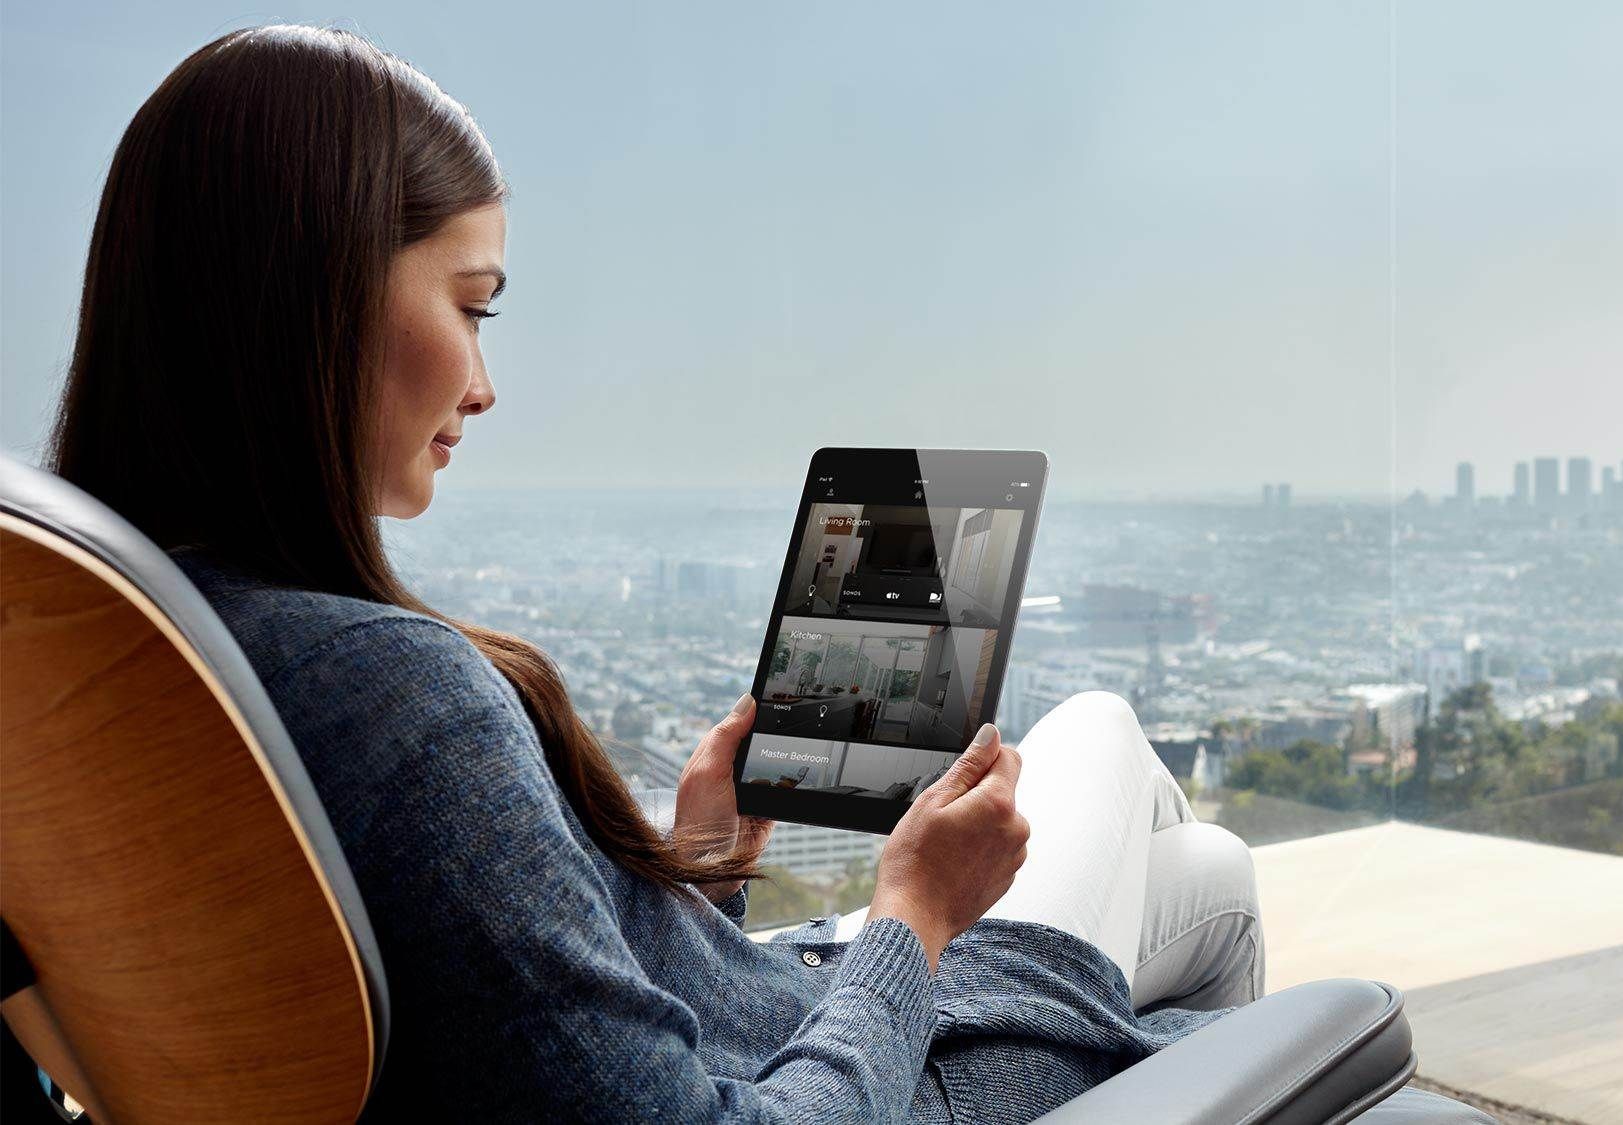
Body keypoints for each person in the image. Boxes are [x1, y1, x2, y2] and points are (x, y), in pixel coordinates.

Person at [45, 24, 1264, 1121]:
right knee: (1103, 740)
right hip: (877, 1084)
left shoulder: (125, 662)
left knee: (1206, 875)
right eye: (474, 308)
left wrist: (689, 867)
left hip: (765, 1025)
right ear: (306, 305)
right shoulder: (393, 698)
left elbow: (526, 1034)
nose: (482, 383)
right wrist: (914, 915)